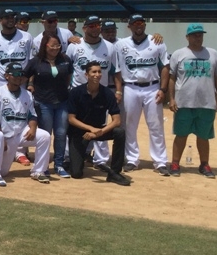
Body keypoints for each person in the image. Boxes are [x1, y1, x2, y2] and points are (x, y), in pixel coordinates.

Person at [114, 14, 170, 175]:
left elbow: (165, 67)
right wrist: (119, 90)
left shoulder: (156, 41)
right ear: (129, 26)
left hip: (152, 87)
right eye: (135, 23)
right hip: (130, 87)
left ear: (145, 25)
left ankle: (160, 161)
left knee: (156, 125)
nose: (138, 25)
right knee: (129, 125)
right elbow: (117, 69)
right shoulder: (121, 44)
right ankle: (132, 159)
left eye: (141, 23)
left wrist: (163, 89)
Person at [168, 24, 217, 178]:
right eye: (194, 35)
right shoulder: (179, 54)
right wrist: (172, 99)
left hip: (206, 103)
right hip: (184, 102)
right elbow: (172, 78)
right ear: (187, 37)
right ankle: (175, 163)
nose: (198, 37)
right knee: (181, 134)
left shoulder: (212, 54)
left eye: (200, 35)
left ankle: (204, 164)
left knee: (203, 135)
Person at [0, 63, 51, 185]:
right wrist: (1, 137)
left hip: (21, 132)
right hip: (5, 135)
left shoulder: (27, 94)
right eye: (15, 74)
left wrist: (33, 128)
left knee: (44, 136)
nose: (19, 77)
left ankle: (39, 171)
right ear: (7, 76)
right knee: (3, 172)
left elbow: (32, 115)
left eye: (21, 74)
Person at [66, 62, 131, 186]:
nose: (97, 75)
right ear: (86, 74)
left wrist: (100, 132)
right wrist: (91, 129)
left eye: (99, 72)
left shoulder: (107, 93)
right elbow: (71, 119)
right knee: (76, 174)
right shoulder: (76, 92)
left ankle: (115, 173)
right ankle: (80, 156)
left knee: (120, 132)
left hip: (99, 131)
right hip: (80, 132)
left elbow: (117, 121)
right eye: (94, 72)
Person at [0, 8, 33, 166]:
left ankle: (20, 151)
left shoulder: (26, 37)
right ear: (0, 20)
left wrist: (30, 83)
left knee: (20, 113)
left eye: (13, 16)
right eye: (7, 17)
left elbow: (31, 63)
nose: (10, 19)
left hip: (20, 80)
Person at [65, 15, 117, 169]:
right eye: (92, 26)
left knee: (101, 123)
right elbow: (68, 69)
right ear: (85, 28)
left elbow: (116, 71)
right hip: (77, 91)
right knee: (74, 126)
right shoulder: (74, 45)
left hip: (101, 92)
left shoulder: (109, 46)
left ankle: (100, 160)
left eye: (97, 26)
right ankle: (70, 156)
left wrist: (118, 91)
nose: (96, 28)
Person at [24, 32, 73, 178]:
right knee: (45, 135)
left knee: (61, 133)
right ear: (45, 46)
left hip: (62, 102)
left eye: (58, 45)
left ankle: (59, 164)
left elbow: (68, 77)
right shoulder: (36, 62)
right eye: (52, 45)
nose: (55, 48)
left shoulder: (65, 59)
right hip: (43, 103)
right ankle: (43, 165)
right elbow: (24, 77)